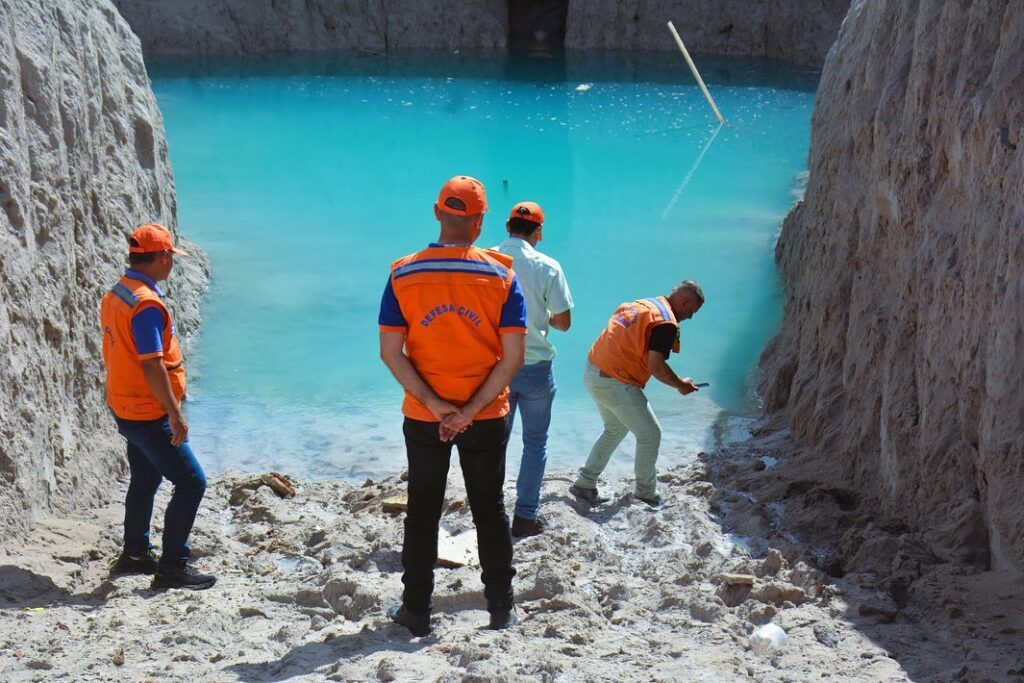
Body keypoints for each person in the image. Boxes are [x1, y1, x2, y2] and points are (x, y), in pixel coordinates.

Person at [378, 176, 527, 636]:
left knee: (423, 509)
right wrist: (466, 410)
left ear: (437, 213)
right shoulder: (502, 275)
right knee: (490, 509)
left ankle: (416, 611)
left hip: (425, 416)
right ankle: (500, 607)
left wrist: (437, 405)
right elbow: (513, 358)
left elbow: (390, 352)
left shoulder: (403, 273)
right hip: (485, 415)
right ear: (480, 222)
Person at [100, 223, 215, 590]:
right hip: (149, 411)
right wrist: (174, 413)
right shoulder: (147, 304)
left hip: (125, 405)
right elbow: (151, 362)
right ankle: (172, 568)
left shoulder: (119, 292)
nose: (172, 265)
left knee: (146, 478)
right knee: (192, 482)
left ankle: (135, 554)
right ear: (162, 256)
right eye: (171, 258)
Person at [570, 281, 704, 507]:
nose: (690, 317)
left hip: (593, 372)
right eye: (692, 311)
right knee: (650, 434)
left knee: (615, 429)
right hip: (615, 381)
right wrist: (681, 384)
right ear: (684, 302)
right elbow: (656, 366)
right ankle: (645, 493)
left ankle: (584, 484)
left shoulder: (644, 304)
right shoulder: (665, 323)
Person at [493, 201, 573, 537]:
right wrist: (544, 318)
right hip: (537, 367)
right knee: (535, 443)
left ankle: (492, 511)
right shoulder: (549, 266)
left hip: (497, 369)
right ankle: (525, 516)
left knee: (495, 442)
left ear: (507, 226)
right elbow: (565, 322)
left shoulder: (488, 259)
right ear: (538, 232)